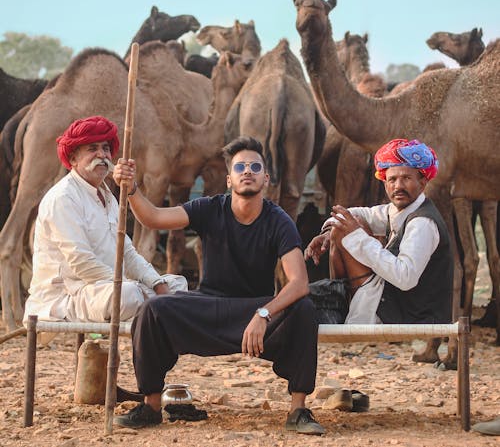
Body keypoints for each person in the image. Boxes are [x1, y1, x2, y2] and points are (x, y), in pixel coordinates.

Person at [112, 136, 325, 435]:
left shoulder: (279, 221)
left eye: (254, 166)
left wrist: (264, 313)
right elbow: (154, 217)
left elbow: (299, 283)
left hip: (255, 312)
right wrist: (131, 189)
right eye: (240, 167)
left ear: (266, 178)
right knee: (153, 310)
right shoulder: (209, 208)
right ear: (229, 179)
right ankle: (151, 406)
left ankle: (298, 410)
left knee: (303, 308)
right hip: (208, 308)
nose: (247, 171)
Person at [24, 115, 187, 325]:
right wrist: (135, 287)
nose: (102, 154)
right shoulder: (63, 197)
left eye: (106, 148)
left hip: (107, 288)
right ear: (73, 159)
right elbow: (81, 263)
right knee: (128, 295)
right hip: (67, 297)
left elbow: (127, 253)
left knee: (177, 285)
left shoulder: (107, 195)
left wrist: (157, 284)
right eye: (92, 149)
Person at [305, 138, 453, 325]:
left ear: (422, 182)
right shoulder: (397, 210)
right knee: (342, 227)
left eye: (406, 178)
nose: (398, 186)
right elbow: (356, 214)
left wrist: (357, 237)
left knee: (347, 230)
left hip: (410, 314)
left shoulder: (422, 222)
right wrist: (328, 231)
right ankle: (340, 298)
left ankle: (340, 303)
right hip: (397, 303)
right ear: (385, 184)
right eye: (392, 179)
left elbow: (405, 277)